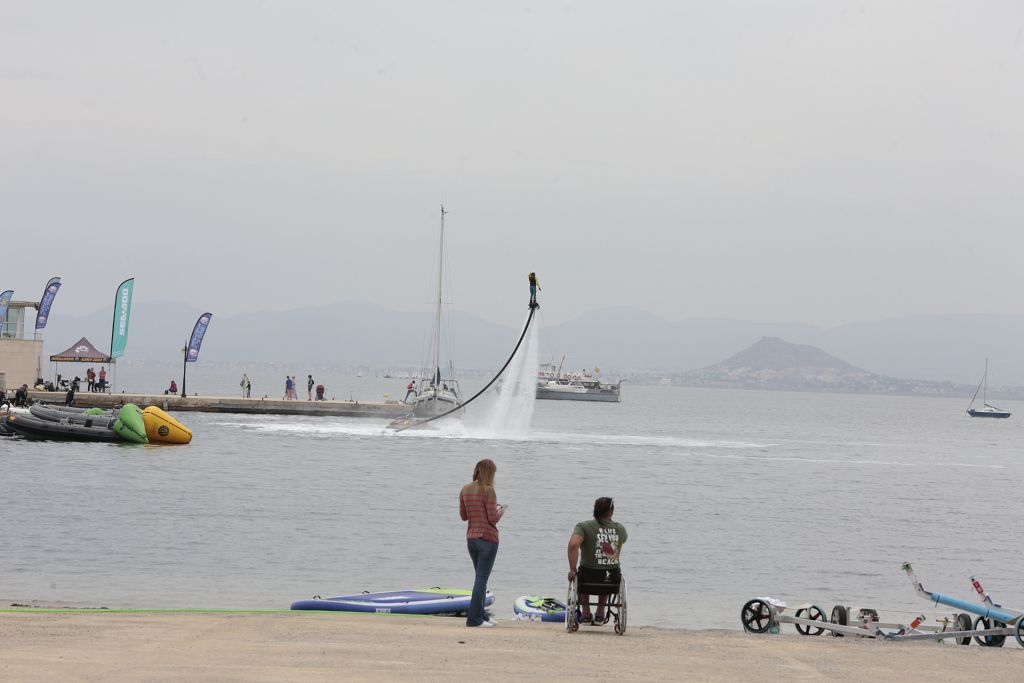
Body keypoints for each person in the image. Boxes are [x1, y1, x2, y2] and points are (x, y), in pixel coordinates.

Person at [567, 497, 628, 625]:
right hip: (611, 578)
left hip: (588, 578)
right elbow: (623, 540)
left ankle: (586, 613)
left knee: (582, 573)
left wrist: (572, 570)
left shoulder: (583, 526)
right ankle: (600, 614)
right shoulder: (620, 528)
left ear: (594, 510)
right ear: (610, 512)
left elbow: (573, 545)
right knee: (606, 567)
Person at [459, 459, 504, 628]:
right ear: (489, 473)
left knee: (480, 578)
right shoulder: (489, 491)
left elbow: (464, 516)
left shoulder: (465, 489)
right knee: (481, 578)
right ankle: (474, 619)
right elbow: (492, 518)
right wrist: (501, 511)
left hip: (471, 538)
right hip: (487, 538)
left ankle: (482, 615)